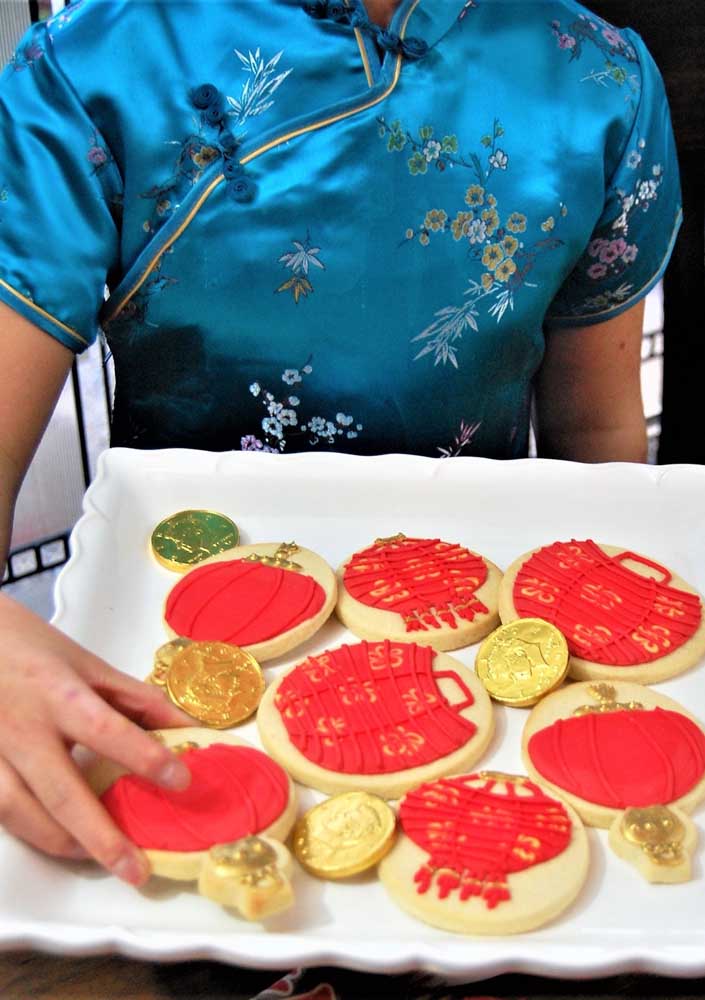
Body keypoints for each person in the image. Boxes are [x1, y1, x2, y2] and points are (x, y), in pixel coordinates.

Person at [0, 0, 680, 896]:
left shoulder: (600, 79)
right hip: (176, 641)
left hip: (480, 648)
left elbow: (594, 431)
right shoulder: (94, 61)